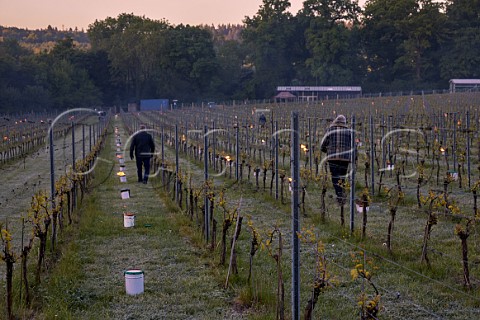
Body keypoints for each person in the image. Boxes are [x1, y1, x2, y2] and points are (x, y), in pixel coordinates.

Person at [320, 115, 352, 205]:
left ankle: (340, 196)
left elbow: (323, 144)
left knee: (335, 177)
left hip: (333, 158)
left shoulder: (330, 130)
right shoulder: (349, 131)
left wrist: (326, 150)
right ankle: (341, 194)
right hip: (345, 158)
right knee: (342, 177)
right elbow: (353, 145)